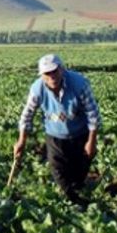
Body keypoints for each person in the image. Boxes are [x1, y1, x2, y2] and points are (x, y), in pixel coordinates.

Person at [14, 54, 101, 205]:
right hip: (55, 135)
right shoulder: (37, 89)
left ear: (62, 69)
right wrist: (21, 141)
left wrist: (91, 142)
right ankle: (72, 201)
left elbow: (93, 114)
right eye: (47, 73)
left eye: (54, 71)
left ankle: (79, 195)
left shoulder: (79, 84)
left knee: (79, 172)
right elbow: (27, 115)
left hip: (80, 134)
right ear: (42, 75)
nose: (52, 76)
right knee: (59, 171)